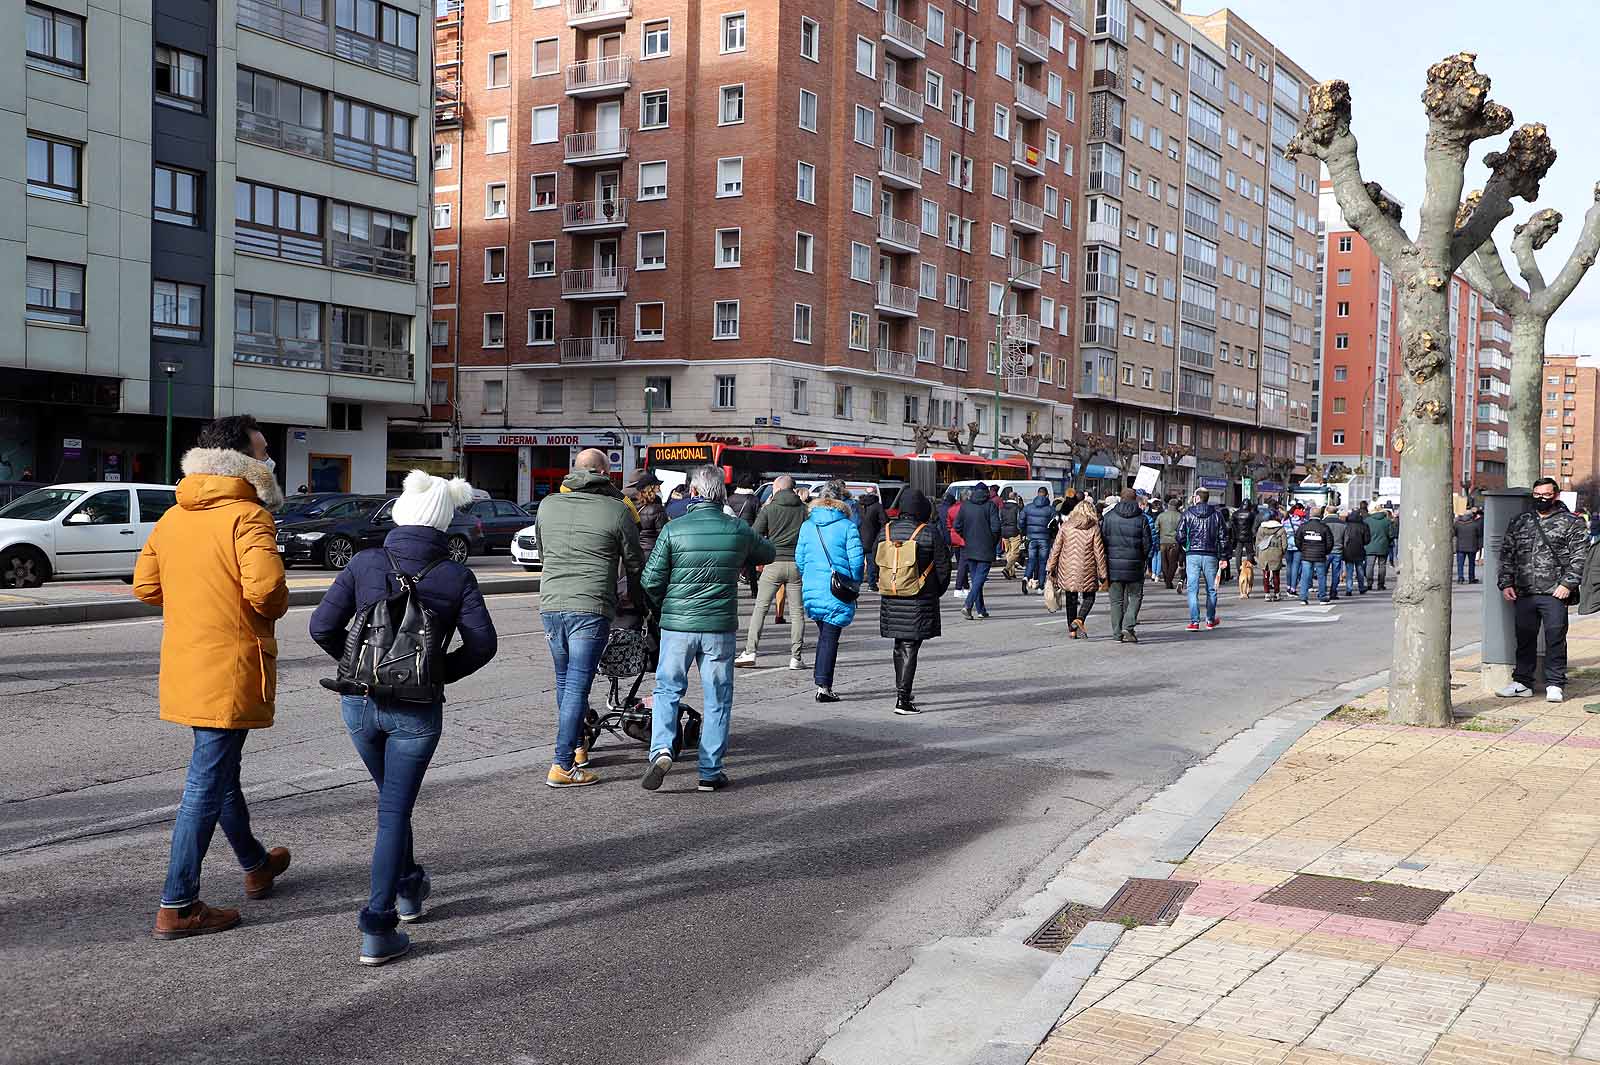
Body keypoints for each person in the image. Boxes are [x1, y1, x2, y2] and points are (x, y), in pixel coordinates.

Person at [308, 471, 497, 966]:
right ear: (442, 521)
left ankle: (410, 886)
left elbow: (321, 625)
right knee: (394, 809)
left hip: (360, 702)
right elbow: (483, 645)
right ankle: (377, 921)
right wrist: (435, 674)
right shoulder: (456, 575)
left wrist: (353, 663)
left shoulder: (366, 562)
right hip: (415, 709)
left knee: (393, 801)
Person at [132, 416, 291, 940]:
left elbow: (145, 586)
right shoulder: (248, 517)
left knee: (219, 768)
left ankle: (254, 864)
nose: (270, 460)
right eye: (263, 451)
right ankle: (178, 903)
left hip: (187, 663)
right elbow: (267, 592)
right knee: (206, 780)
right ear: (243, 461)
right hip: (232, 665)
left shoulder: (174, 515)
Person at [640, 466, 775, 791]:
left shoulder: (674, 529)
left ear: (694, 493)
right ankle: (710, 771)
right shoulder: (737, 529)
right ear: (720, 494)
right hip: (718, 627)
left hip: (677, 626)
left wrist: (664, 608)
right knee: (718, 697)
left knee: (667, 690)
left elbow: (650, 580)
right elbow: (768, 552)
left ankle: (661, 749)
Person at [534, 449, 643, 788]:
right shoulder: (616, 509)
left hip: (551, 605)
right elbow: (635, 564)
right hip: (591, 607)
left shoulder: (548, 504)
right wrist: (638, 604)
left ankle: (579, 747)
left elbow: (542, 552)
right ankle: (562, 764)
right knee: (577, 685)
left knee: (565, 682)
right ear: (603, 474)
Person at [1497, 478, 1590, 703]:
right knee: (1524, 637)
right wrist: (1506, 582)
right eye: (1537, 494)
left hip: (1555, 593)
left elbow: (1580, 556)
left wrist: (1567, 584)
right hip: (1524, 591)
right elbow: (1508, 553)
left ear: (1555, 495)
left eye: (1546, 495)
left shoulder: (1571, 522)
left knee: (1555, 637)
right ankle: (1522, 682)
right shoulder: (1520, 521)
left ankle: (1555, 683)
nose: (1540, 499)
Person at [872, 489, 950, 715]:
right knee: (909, 646)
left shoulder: (885, 530)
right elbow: (943, 567)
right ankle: (902, 699)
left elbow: (876, 564)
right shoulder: (929, 531)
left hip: (891, 596)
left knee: (900, 645)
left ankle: (903, 691)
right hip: (919, 598)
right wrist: (935, 591)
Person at [795, 481, 866, 702]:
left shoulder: (808, 525)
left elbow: (800, 558)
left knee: (825, 635)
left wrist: (809, 576)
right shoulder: (847, 526)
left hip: (813, 586)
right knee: (829, 637)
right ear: (840, 502)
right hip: (837, 588)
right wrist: (854, 583)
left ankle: (822, 681)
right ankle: (823, 686)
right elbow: (856, 561)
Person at [737, 475, 806, 670]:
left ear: (776, 490)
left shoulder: (769, 508)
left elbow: (754, 533)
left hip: (773, 562)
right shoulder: (804, 510)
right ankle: (796, 658)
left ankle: (750, 652)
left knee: (761, 608)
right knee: (797, 612)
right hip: (796, 565)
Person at [1048, 500, 1107, 639]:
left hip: (1066, 567)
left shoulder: (1066, 526)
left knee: (1071, 598)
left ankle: (1072, 631)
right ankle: (1079, 620)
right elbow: (1099, 552)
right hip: (1088, 567)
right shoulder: (1094, 528)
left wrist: (1050, 566)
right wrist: (1103, 573)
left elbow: (1056, 547)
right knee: (1089, 596)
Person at [1101, 488, 1152, 643]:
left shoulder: (1109, 517)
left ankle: (1117, 633)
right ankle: (1128, 625)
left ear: (1120, 499)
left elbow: (1102, 541)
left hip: (1113, 564)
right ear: (1135, 499)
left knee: (1116, 601)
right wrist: (1142, 558)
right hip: (1135, 564)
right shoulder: (1142, 519)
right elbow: (1147, 544)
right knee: (1136, 596)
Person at [1178, 487, 1230, 630]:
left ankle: (1194, 621)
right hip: (1210, 554)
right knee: (1211, 589)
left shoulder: (1188, 514)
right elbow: (1223, 537)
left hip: (1192, 554)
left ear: (1197, 498)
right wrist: (1224, 556)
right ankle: (1210, 619)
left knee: (1192, 589)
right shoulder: (1217, 515)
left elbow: (1180, 535)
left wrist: (1186, 546)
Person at [954, 482, 1002, 620]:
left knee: (976, 579)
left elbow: (957, 526)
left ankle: (981, 609)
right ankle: (968, 605)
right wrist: (991, 541)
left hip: (969, 547)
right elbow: (996, 528)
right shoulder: (990, 505)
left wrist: (966, 537)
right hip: (986, 547)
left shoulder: (965, 506)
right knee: (979, 579)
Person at [1294, 507, 1333, 605]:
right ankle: (1322, 597)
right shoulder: (1324, 527)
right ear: (1320, 515)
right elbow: (1330, 543)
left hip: (1306, 555)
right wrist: (1325, 552)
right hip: (1320, 556)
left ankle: (1303, 597)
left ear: (1310, 514)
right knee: (1321, 577)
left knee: (1305, 576)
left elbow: (1297, 540)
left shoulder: (1303, 526)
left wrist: (1302, 550)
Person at [1021, 487, 1056, 594]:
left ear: (1037, 494)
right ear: (1046, 495)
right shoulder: (1050, 509)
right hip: (1044, 539)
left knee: (1031, 560)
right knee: (1042, 562)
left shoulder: (1028, 508)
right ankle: (1041, 586)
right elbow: (1054, 525)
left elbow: (1021, 522)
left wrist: (1025, 532)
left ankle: (1026, 577)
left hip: (1031, 537)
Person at [1255, 507, 1288, 601]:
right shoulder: (1281, 529)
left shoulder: (1261, 528)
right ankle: (1277, 593)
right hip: (1276, 553)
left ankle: (1267, 594)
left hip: (1263, 553)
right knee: (1276, 574)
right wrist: (1282, 553)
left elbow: (1257, 543)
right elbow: (1284, 544)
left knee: (1266, 574)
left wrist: (1257, 554)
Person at [858, 487, 886, 591]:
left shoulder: (858, 505)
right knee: (872, 562)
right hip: (873, 537)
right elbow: (884, 522)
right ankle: (872, 584)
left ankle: (857, 581)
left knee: (858, 561)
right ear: (875, 494)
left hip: (858, 537)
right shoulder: (878, 506)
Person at [634, 473, 667, 557]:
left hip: (638, 552)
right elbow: (663, 536)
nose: (659, 488)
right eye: (657, 486)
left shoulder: (634, 507)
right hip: (653, 554)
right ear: (650, 488)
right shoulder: (657, 509)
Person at [1340, 507, 1371, 596]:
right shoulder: (1364, 525)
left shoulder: (1346, 525)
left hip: (1348, 550)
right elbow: (1367, 540)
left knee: (1349, 570)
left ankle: (1349, 589)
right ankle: (1361, 587)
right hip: (1359, 549)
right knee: (1360, 569)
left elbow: (1343, 538)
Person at [1156, 497, 1184, 591]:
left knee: (1164, 562)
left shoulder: (1161, 516)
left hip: (1163, 541)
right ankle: (1169, 581)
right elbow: (1183, 530)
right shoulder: (1180, 516)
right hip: (1175, 542)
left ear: (1168, 505)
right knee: (1173, 563)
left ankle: (1167, 581)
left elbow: (1156, 528)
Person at [943, 489, 969, 594]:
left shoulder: (952, 509)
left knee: (961, 562)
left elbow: (948, 525)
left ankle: (965, 585)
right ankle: (960, 587)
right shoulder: (967, 509)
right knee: (963, 564)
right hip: (964, 538)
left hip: (954, 538)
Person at [1364, 506, 1394, 590]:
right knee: (1382, 566)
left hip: (1369, 546)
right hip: (1383, 546)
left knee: (1369, 565)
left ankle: (1369, 584)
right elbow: (1391, 534)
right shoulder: (1387, 521)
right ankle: (1380, 585)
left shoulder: (1367, 521)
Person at [1453, 507, 1484, 583]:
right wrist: (1480, 546)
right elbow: (1479, 535)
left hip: (1460, 547)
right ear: (1471, 516)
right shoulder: (1475, 524)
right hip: (1472, 546)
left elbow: (1455, 533)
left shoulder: (1457, 524)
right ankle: (1471, 578)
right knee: (1471, 564)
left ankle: (1460, 578)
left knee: (1460, 564)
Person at [998, 489, 1024, 580]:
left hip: (1004, 531)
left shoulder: (1002, 508)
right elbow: (1019, 521)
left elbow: (1000, 519)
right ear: (1016, 498)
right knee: (1015, 552)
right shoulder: (1017, 508)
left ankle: (1011, 572)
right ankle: (1007, 569)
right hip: (1014, 531)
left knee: (1008, 552)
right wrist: (1021, 531)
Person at [1324, 508, 1347, 601]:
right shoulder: (1343, 524)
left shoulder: (1323, 522)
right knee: (1336, 573)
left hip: (1325, 552)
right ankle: (1333, 592)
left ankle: (1323, 591)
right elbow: (1346, 539)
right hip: (1338, 550)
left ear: (1327, 512)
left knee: (1323, 573)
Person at [1283, 503, 1307, 591]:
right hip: (1298, 546)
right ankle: (1293, 588)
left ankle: (1288, 586)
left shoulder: (1285, 520)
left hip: (1287, 546)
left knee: (1289, 566)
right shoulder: (1303, 521)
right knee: (1296, 566)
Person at [1230, 499, 1256, 575]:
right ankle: (1248, 570)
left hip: (1238, 537)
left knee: (1238, 554)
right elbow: (1253, 526)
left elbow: (1232, 525)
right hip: (1248, 536)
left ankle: (1239, 571)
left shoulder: (1235, 514)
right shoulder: (1251, 515)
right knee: (1249, 553)